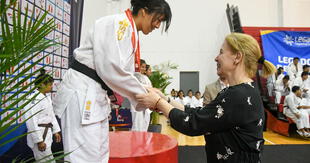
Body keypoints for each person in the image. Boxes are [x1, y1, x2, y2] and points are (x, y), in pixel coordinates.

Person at [53, 0, 172, 162]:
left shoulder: (130, 31)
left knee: (99, 155)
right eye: (158, 19)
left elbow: (121, 73)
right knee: (84, 157)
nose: (158, 25)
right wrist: (145, 94)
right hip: (83, 92)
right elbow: (111, 68)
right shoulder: (118, 24)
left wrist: (146, 90)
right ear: (144, 11)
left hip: (95, 95)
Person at [136, 33, 276, 162]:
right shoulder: (243, 91)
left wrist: (158, 103)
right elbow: (201, 115)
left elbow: (192, 123)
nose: (216, 57)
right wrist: (166, 100)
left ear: (237, 57)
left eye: (221, 52)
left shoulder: (237, 95)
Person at [24, 70, 61, 163]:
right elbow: (31, 121)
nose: (52, 86)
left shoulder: (47, 98)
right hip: (40, 135)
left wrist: (56, 131)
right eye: (49, 84)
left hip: (47, 133)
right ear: (42, 85)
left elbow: (51, 115)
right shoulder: (33, 100)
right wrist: (39, 140)